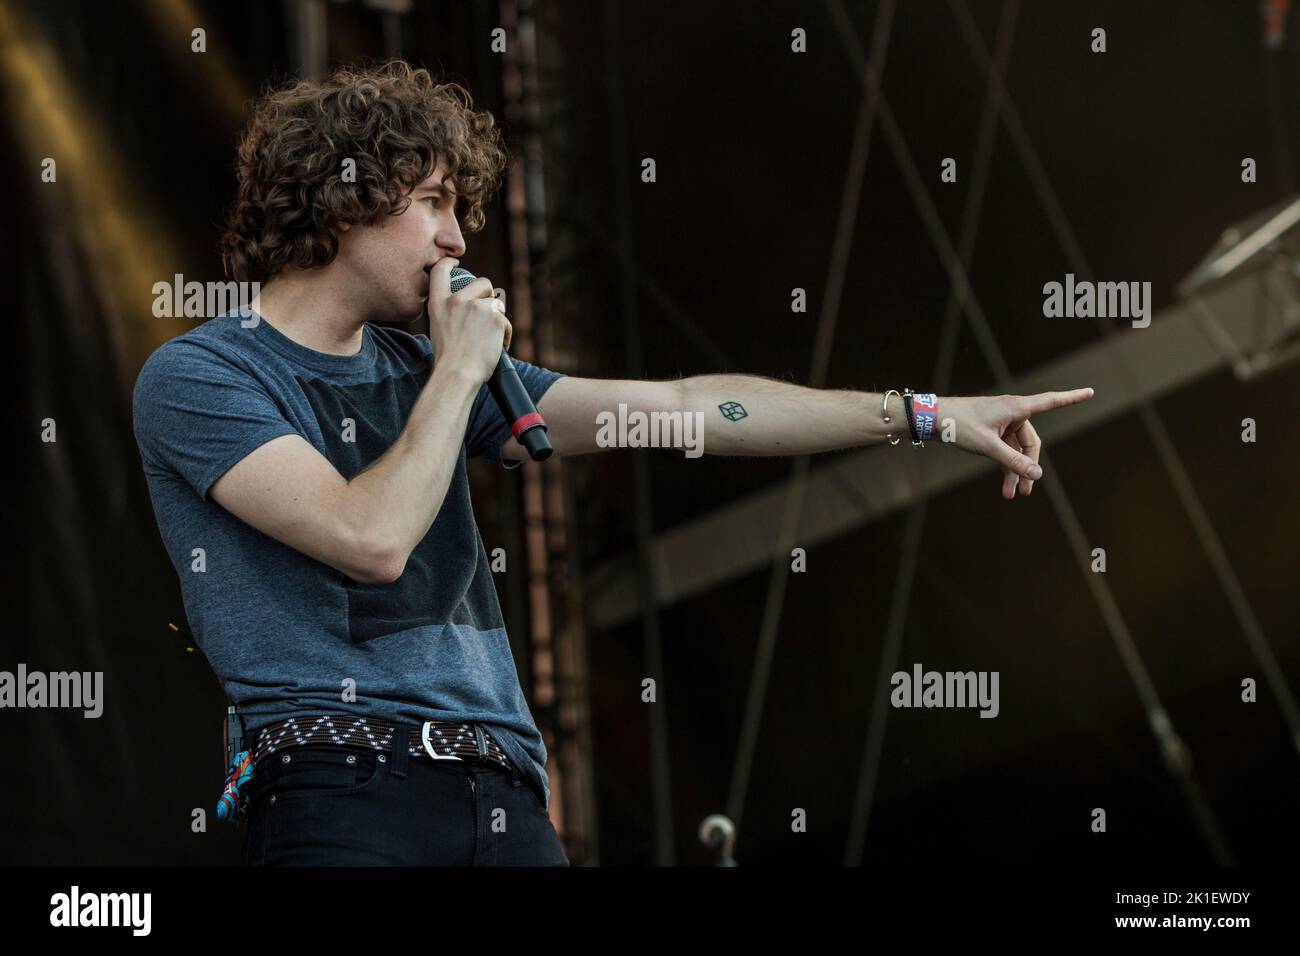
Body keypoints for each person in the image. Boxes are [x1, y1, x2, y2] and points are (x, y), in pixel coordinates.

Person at [131, 60, 1093, 867]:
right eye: (433, 203)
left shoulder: (435, 375)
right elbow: (368, 538)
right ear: (345, 197)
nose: (458, 239)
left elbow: (682, 412)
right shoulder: (202, 376)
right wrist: (462, 373)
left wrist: (920, 413)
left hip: (504, 791)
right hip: (342, 787)